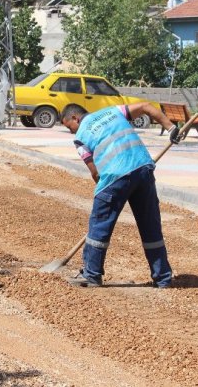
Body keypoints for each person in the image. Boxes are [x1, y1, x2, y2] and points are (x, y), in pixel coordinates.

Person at [60, 102, 181, 289]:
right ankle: (163, 278)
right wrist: (171, 128)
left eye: (69, 126)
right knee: (150, 225)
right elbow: (146, 106)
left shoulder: (80, 138)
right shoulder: (113, 111)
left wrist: (105, 193)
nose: (71, 131)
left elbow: (95, 172)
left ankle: (92, 274)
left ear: (75, 118)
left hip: (115, 177)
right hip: (143, 168)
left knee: (99, 224)